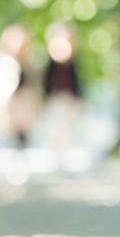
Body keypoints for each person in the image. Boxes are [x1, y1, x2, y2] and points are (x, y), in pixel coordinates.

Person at [0, 24, 39, 150]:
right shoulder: (3, 63)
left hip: (23, 105)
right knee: (4, 133)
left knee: (21, 133)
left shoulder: (29, 64)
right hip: (6, 104)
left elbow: (34, 85)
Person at [42, 24, 83, 167]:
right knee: (55, 128)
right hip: (55, 100)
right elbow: (46, 83)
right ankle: (55, 156)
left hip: (69, 99)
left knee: (67, 128)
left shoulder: (73, 63)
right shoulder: (50, 63)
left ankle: (64, 155)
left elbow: (77, 83)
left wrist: (77, 99)